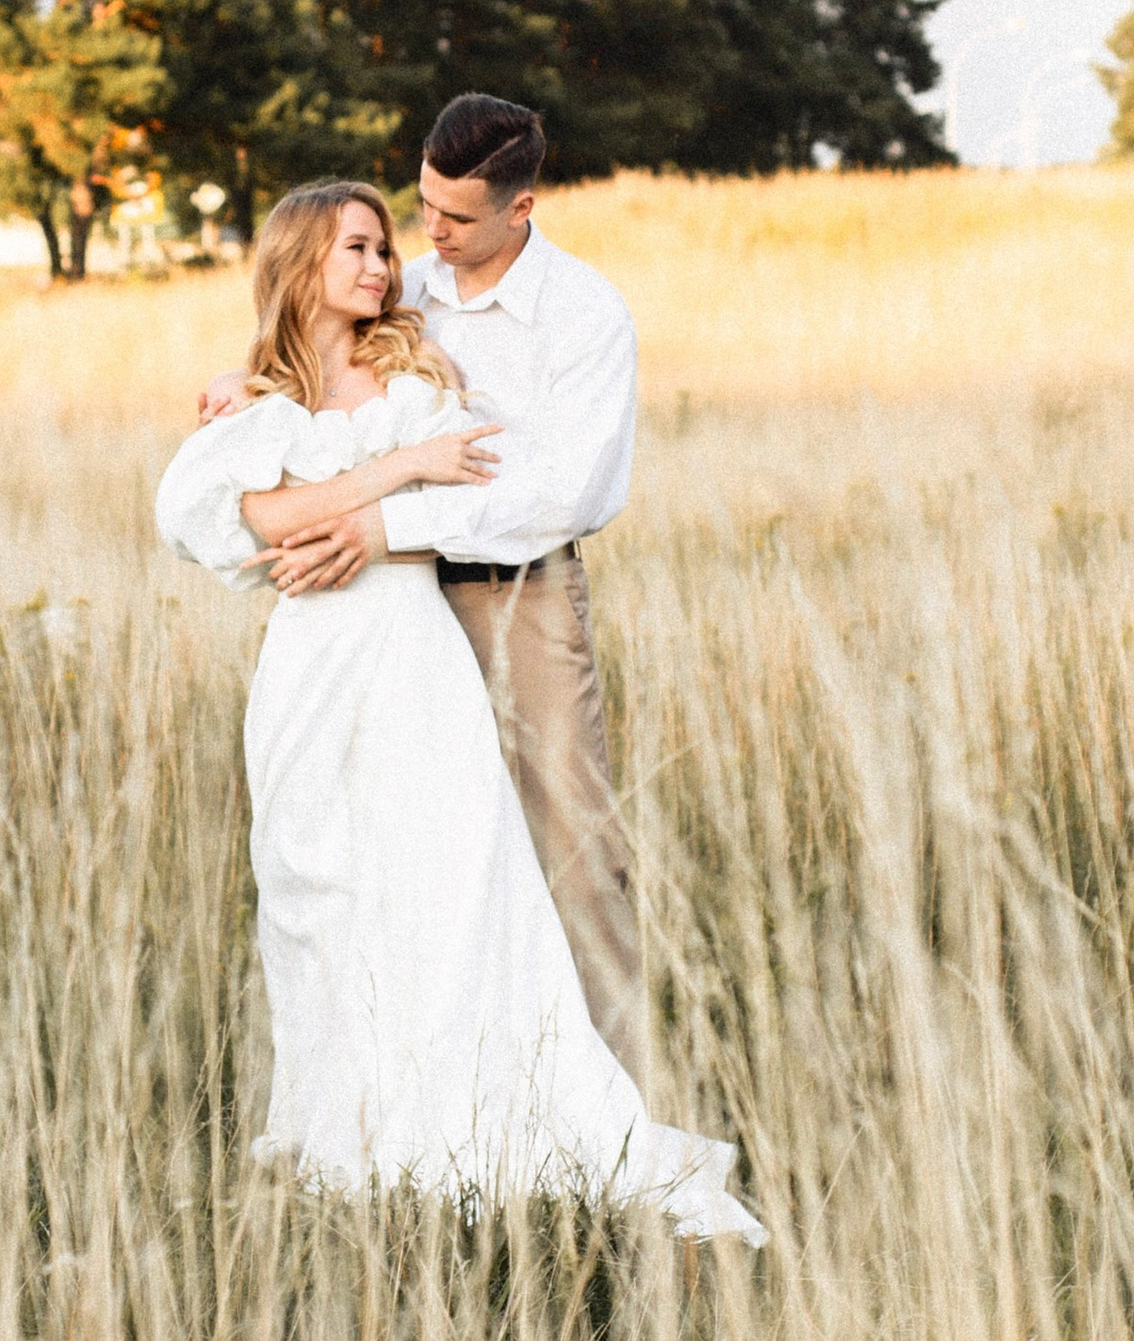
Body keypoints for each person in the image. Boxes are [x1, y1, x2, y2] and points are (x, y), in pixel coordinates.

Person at [156, 177, 763, 1242]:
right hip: (308, 668)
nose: (383, 266)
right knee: (313, 882)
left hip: (406, 653)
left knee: (437, 880)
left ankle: (454, 1124)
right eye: (355, 248)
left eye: (385, 249)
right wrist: (394, 472)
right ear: (300, 263)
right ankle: (340, 1125)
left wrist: (383, 502)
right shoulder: (258, 407)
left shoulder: (418, 376)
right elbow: (259, 519)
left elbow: (455, 510)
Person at [209, 95, 654, 1091]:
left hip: (515, 601)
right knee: (411, 849)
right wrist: (245, 388)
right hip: (384, 612)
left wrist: (382, 528)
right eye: (422, 206)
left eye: (455, 218)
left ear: (522, 207)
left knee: (570, 850)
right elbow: (321, 355)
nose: (429, 236)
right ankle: (432, 1084)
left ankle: (609, 1096)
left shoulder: (583, 315)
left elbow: (563, 491)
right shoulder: (408, 289)